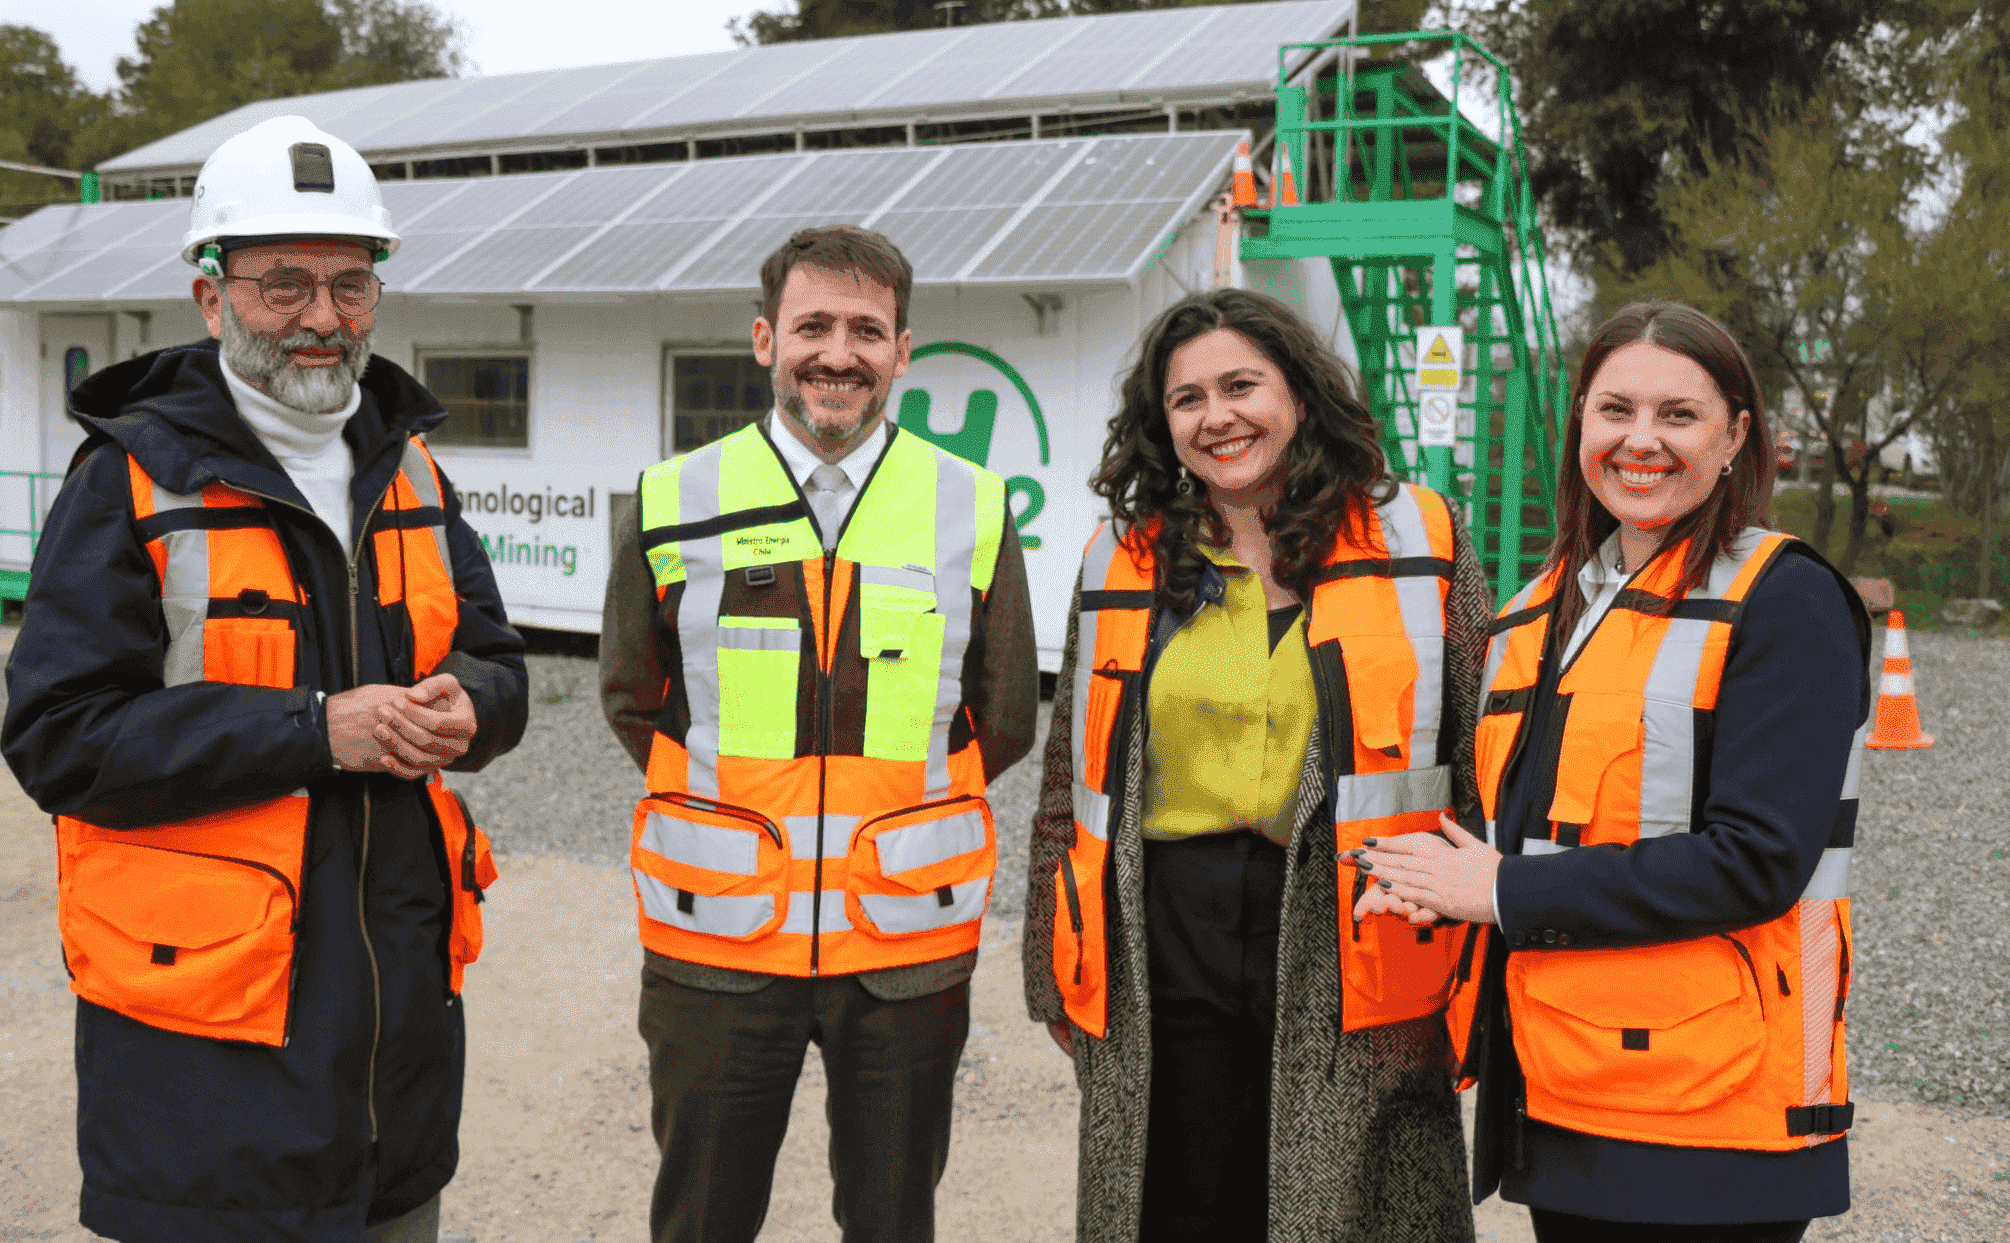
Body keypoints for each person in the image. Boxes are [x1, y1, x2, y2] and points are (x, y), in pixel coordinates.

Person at [2, 115, 529, 1242]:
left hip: (396, 1079)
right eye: (282, 285)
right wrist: (310, 729)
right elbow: (60, 736)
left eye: (350, 284)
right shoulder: (131, 482)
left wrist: (469, 706)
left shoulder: (411, 466)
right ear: (211, 296)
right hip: (209, 1091)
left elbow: (499, 666)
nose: (323, 320)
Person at [1349, 300, 1870, 1242]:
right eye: (1616, 410)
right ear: (1581, 422)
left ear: (1736, 436)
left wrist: (1503, 889)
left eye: (1679, 415)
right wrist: (1448, 887)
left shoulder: (1786, 600)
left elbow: (1754, 861)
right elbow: (1549, 830)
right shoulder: (1548, 606)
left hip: (1710, 1113)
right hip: (1569, 1084)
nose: (1643, 441)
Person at [600, 225, 1038, 1243]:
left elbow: (1005, 712)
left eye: (864, 330)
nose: (836, 353)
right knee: (701, 1218)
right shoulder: (672, 499)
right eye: (811, 326)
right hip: (716, 932)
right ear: (764, 340)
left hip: (904, 942)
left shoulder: (969, 504)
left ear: (902, 351)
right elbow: (630, 696)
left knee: (891, 1220)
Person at [1023, 287, 1489, 1243]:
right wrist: (1049, 958)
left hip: (1355, 930)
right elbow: (1069, 778)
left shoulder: (1419, 539)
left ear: (1303, 396)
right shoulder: (1124, 556)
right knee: (1177, 1199)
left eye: (1242, 385)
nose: (1217, 416)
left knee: (1355, 1205)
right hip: (1164, 935)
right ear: (1164, 425)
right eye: (1187, 399)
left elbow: (1482, 762)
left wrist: (1494, 950)